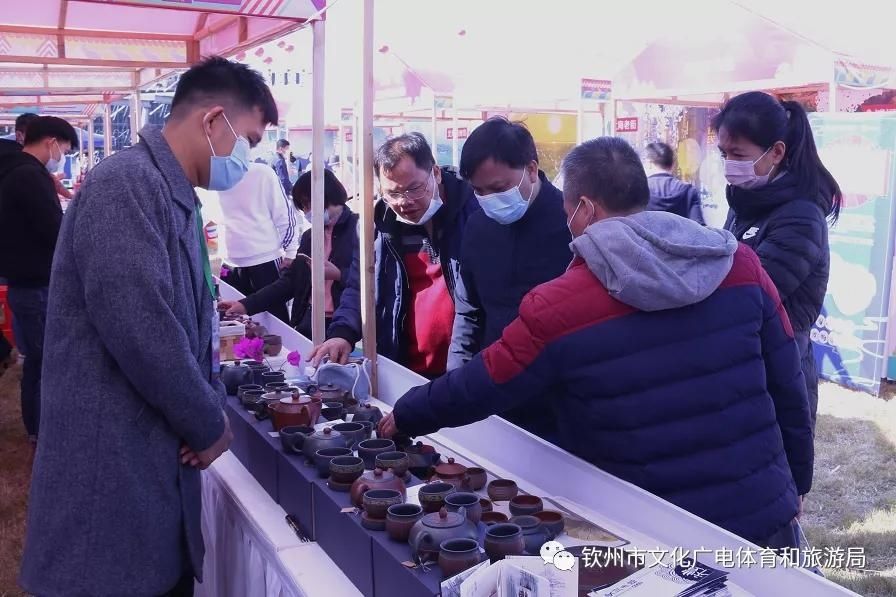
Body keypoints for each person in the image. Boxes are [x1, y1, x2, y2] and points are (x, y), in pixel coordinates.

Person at [379, 136, 813, 549]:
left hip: (649, 532)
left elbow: (485, 381)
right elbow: (788, 382)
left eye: (568, 207)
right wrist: (797, 483)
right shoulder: (738, 263)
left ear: (583, 208)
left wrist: (408, 413)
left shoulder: (562, 303)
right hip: (760, 518)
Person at [20, 56, 277, 596]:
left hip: (141, 470)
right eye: (248, 140)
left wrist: (203, 403)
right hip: (108, 482)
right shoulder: (126, 186)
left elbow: (187, 323)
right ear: (213, 122)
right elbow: (144, 330)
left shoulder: (172, 195)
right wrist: (209, 423)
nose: (247, 158)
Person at [713, 91, 841, 431]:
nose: (728, 163)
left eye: (737, 154)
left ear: (777, 152)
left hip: (778, 372)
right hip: (743, 365)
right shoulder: (746, 202)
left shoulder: (801, 217)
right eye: (723, 153)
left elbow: (751, 294)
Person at [308, 133, 479, 377]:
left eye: (414, 189)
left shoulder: (474, 215)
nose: (404, 202)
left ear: (436, 173)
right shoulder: (376, 227)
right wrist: (342, 333)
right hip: (402, 367)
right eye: (393, 194)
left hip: (465, 371)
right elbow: (360, 286)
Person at [449, 117, 572, 438]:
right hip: (495, 393)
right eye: (479, 191)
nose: (489, 198)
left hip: (563, 404)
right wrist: (457, 381)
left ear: (531, 169)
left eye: (499, 188)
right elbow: (469, 311)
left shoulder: (572, 222)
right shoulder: (477, 227)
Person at [0, 116, 78, 443]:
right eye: (65, 148)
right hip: (36, 286)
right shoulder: (29, 176)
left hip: (25, 282)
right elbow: (54, 233)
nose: (62, 155)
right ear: (51, 142)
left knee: (38, 360)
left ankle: (38, 427)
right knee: (46, 362)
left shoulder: (17, 171)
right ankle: (44, 430)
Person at [219, 169, 359, 337]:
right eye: (304, 207)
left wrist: (339, 275)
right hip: (309, 319)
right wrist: (245, 305)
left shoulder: (360, 230)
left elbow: (371, 280)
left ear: (328, 196)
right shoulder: (310, 236)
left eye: (309, 204)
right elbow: (290, 282)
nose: (308, 212)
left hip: (343, 324)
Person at [216, 161, 299, 323]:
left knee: (275, 324)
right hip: (229, 261)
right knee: (231, 321)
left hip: (264, 259)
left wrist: (290, 252)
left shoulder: (262, 173)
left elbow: (284, 214)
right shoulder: (214, 175)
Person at [643, 141, 704, 224]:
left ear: (649, 163)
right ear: (673, 164)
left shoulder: (639, 191)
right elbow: (699, 226)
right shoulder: (688, 191)